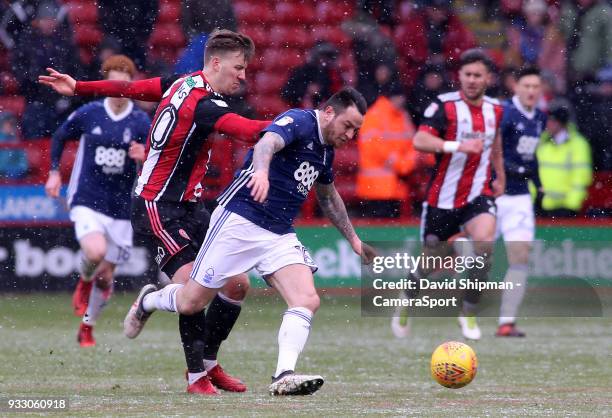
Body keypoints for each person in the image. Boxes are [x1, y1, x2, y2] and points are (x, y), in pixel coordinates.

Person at [40, 29, 271, 395]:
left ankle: (208, 363)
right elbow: (248, 131)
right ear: (215, 63)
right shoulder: (205, 104)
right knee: (194, 288)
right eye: (239, 68)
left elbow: (133, 90)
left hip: (192, 205)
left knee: (237, 284)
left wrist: (79, 86)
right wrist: (300, 125)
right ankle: (187, 363)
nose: (243, 75)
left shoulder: (183, 83)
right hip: (157, 206)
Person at [124, 87, 377, 395]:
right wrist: (261, 173)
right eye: (347, 125)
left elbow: (327, 195)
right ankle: (150, 300)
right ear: (328, 113)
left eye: (356, 130)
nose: (350, 134)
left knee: (307, 299)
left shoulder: (326, 151)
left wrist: (353, 239)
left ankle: (283, 374)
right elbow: (267, 143)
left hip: (278, 232)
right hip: (239, 220)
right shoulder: (299, 120)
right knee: (191, 302)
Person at [390, 49, 505, 341]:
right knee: (430, 264)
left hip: (477, 194)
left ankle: (468, 313)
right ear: (460, 77)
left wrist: (500, 175)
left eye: (477, 75)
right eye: (467, 74)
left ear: (488, 79)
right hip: (442, 200)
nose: (471, 80)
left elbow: (495, 144)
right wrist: (457, 146)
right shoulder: (444, 106)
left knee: (485, 243)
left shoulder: (496, 110)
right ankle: (408, 296)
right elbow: (420, 140)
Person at [44, 55, 150, 347]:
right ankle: (84, 279)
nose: (118, 89)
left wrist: (144, 156)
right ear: (105, 83)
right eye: (113, 83)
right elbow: (60, 137)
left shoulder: (141, 120)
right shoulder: (90, 112)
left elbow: (155, 159)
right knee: (94, 251)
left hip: (121, 207)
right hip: (87, 197)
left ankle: (87, 326)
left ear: (132, 85)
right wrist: (54, 173)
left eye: (124, 84)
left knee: (106, 277)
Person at [495, 66, 547, 337]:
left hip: (520, 198)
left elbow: (531, 155)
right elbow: (494, 150)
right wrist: (511, 171)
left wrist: (538, 184)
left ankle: (507, 322)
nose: (531, 91)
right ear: (515, 86)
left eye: (535, 87)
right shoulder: (504, 113)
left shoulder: (539, 117)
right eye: (526, 86)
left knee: (520, 256)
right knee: (473, 257)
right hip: (494, 195)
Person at [537, 101, 592, 217]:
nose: (548, 124)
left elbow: (581, 178)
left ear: (560, 123)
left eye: (551, 120)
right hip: (541, 205)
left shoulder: (578, 145)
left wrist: (571, 205)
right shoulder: (543, 142)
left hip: (564, 208)